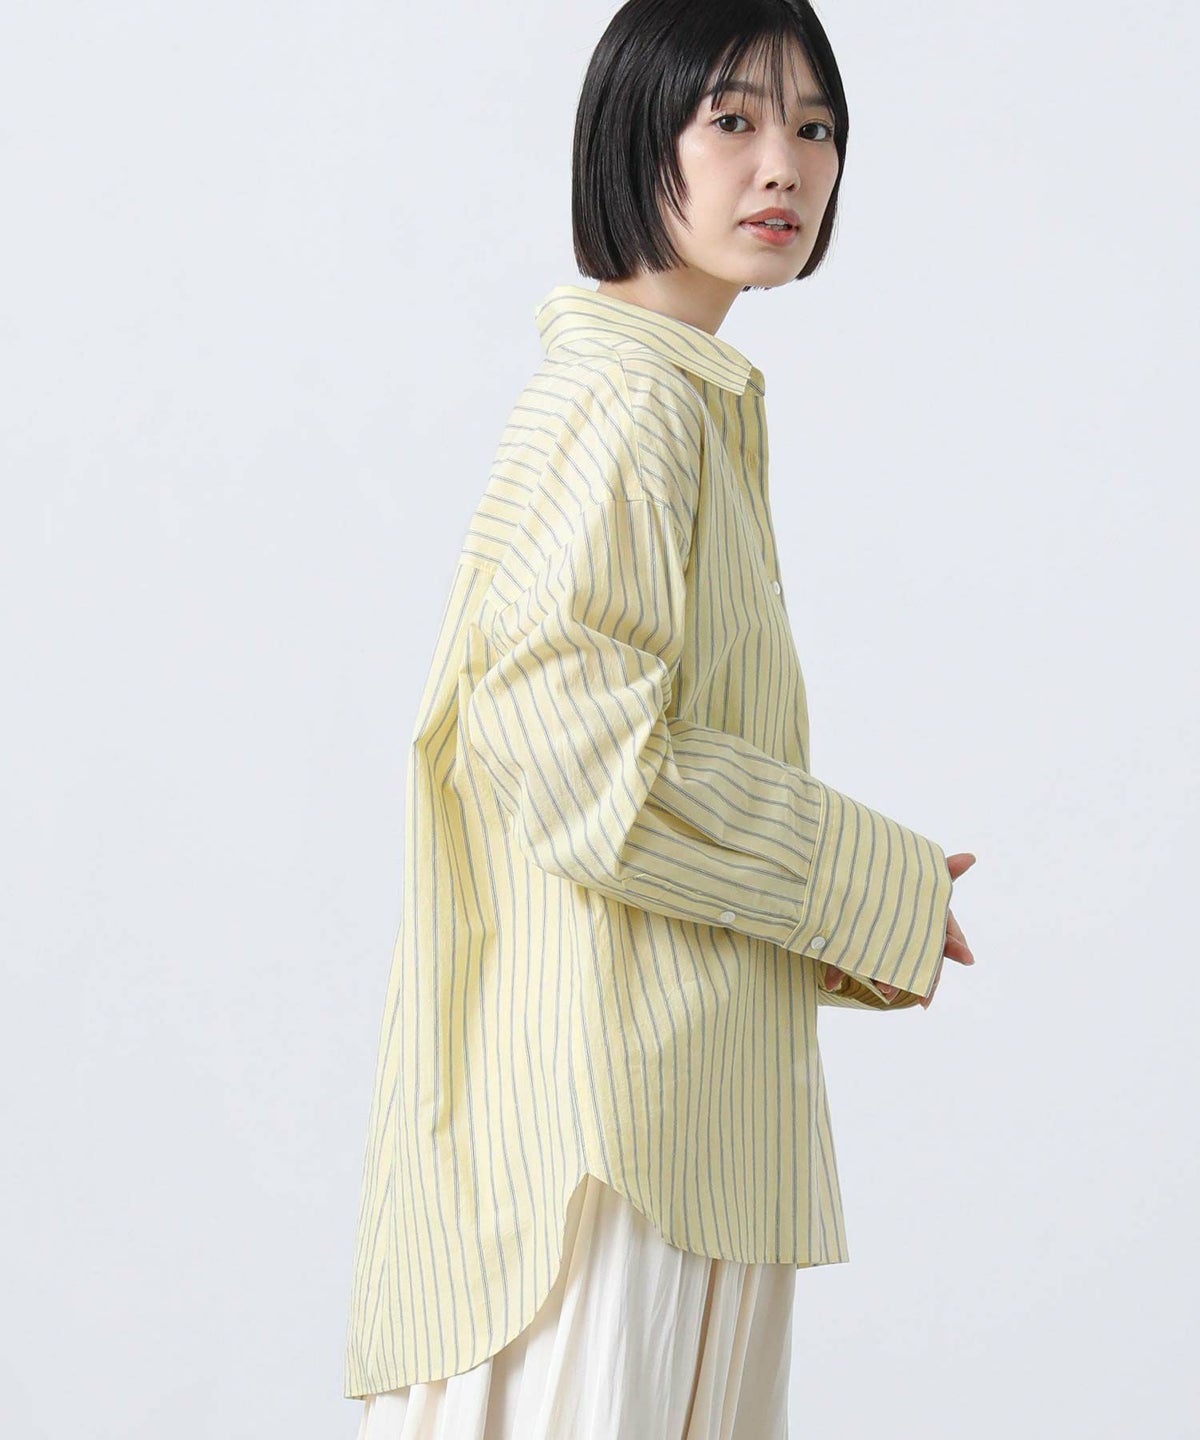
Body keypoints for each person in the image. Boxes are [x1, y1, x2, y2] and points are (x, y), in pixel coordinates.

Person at [346, 1, 977, 1435]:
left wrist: (849, 911)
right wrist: (859, 879)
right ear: (638, 140)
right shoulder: (625, 407)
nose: (784, 165)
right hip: (611, 1146)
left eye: (815, 127)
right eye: (733, 120)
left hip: (674, 1117)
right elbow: (585, 767)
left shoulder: (677, 404)